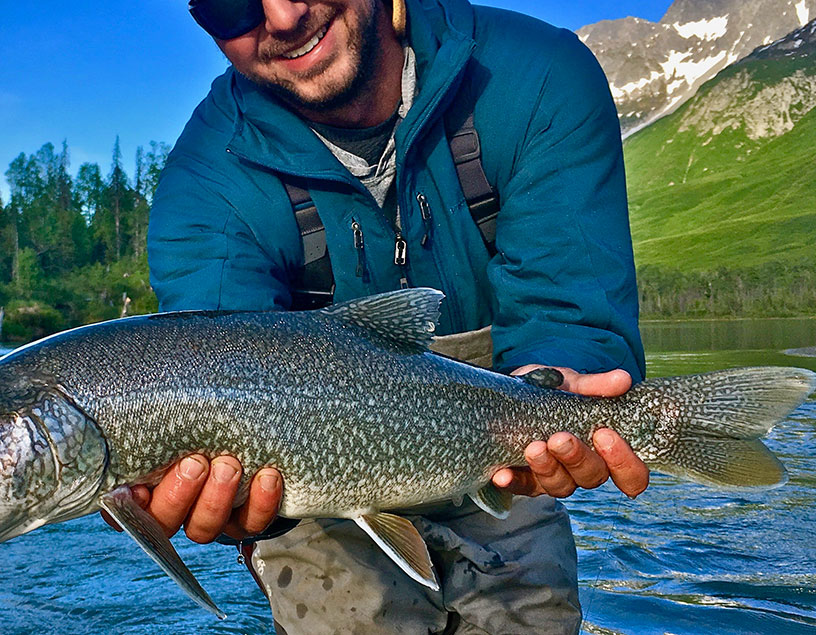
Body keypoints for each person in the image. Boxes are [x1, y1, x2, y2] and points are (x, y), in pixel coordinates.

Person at [123, 0, 650, 631]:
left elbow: (570, 309)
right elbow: (212, 373)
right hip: (312, 461)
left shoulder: (537, 75)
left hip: (494, 426)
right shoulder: (204, 179)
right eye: (232, 5)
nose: (284, 17)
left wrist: (567, 378)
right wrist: (232, 505)